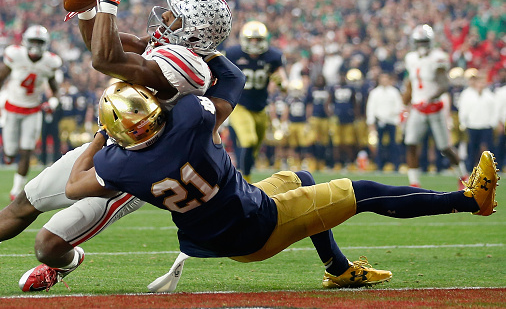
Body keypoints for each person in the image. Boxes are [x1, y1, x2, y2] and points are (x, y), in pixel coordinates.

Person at [0, 0, 230, 292]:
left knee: (47, 246)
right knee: (28, 198)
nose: (165, 15)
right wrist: (88, 7)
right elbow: (97, 45)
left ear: (195, 32)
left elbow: (105, 59)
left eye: (176, 14)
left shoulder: (188, 67)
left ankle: (64, 262)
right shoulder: (166, 47)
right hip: (113, 145)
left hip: (135, 171)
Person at [65, 81, 499, 290]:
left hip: (224, 228)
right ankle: (468, 200)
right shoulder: (188, 123)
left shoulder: (117, 164)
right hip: (257, 224)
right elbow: (226, 80)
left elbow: (74, 186)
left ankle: (338, 269)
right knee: (361, 191)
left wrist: (99, 139)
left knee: (303, 179)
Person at [0, 25, 62, 200]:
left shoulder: (50, 62)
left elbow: (55, 89)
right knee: (11, 151)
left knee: (27, 150)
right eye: (33, 41)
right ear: (25, 42)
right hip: (12, 107)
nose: (36, 45)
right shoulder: (15, 55)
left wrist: (53, 101)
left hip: (33, 110)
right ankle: (8, 155)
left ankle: (16, 190)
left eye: (40, 42)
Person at [402, 24, 468, 188]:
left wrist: (429, 97)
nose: (421, 46)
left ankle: (464, 176)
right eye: (419, 42)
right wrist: (406, 99)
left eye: (424, 42)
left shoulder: (438, 57)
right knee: (410, 143)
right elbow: (412, 81)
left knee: (445, 148)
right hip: (418, 108)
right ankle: (414, 183)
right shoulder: (410, 58)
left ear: (430, 42)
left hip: (434, 108)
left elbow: (444, 84)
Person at [225, 20, 287, 181]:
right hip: (239, 105)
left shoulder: (273, 56)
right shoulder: (233, 54)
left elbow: (285, 85)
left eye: (257, 40)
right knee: (248, 139)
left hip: (260, 107)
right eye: (251, 39)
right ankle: (245, 181)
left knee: (254, 148)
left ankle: (243, 174)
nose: (254, 43)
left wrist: (280, 82)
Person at [457, 72, 498, 172]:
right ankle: (470, 169)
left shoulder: (489, 95)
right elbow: (463, 109)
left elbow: (494, 110)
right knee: (471, 149)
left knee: (487, 149)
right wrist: (463, 122)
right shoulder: (467, 94)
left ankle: (488, 169)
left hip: (486, 126)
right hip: (472, 125)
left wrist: (492, 123)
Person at [366, 72, 403, 171]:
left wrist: (396, 119)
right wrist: (371, 123)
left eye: (386, 78)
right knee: (379, 145)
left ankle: (395, 165)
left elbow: (399, 107)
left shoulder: (394, 92)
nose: (384, 80)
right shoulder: (375, 93)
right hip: (380, 121)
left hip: (392, 121)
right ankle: (379, 165)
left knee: (394, 145)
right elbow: (371, 108)